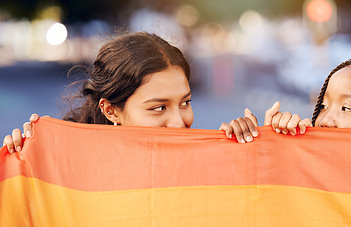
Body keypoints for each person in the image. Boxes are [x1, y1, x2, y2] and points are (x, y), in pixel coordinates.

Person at [3, 32, 258, 153]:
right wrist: (21, 163)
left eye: (185, 102)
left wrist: (256, 148)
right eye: (158, 107)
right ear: (111, 110)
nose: (180, 123)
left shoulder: (208, 159)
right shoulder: (69, 168)